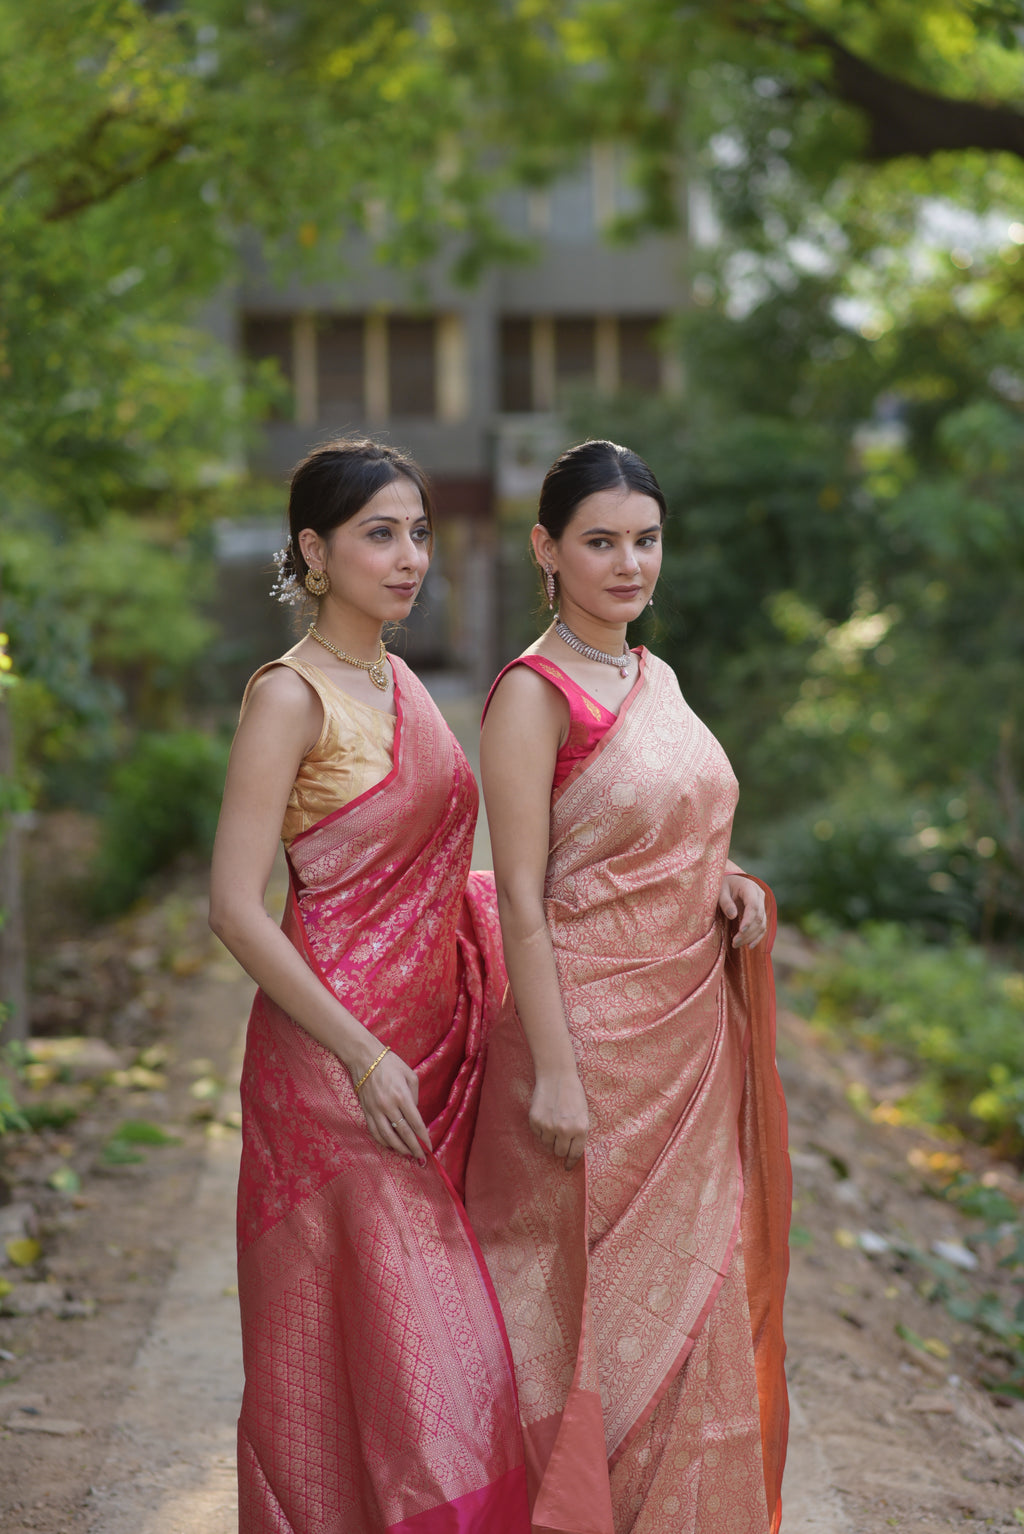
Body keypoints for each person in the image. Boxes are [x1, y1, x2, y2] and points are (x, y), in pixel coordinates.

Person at [464, 439, 791, 1534]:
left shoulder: (655, 680)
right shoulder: (533, 694)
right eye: (599, 542)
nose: (628, 564)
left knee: (687, 1303)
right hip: (586, 1049)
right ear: (545, 549)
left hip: (683, 1045)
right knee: (579, 1323)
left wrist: (727, 884)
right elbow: (522, 896)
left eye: (645, 541)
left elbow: (672, 839)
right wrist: (555, 1074)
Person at [209, 438, 529, 1534]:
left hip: (433, 1061)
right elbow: (234, 906)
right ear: (314, 550)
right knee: (402, 1373)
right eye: (379, 534)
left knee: (426, 1375)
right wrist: (360, 1055)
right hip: (334, 1081)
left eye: (419, 533)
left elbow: (452, 880)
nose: (409, 558)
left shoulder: (404, 683)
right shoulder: (289, 698)